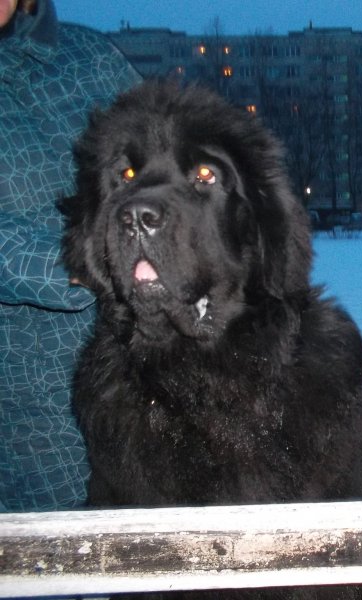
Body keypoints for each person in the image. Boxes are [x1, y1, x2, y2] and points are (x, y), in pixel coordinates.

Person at [0, 0, 140, 511]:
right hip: (26, 402)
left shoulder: (88, 57)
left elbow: (159, 153)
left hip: (138, 367)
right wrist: (80, 262)